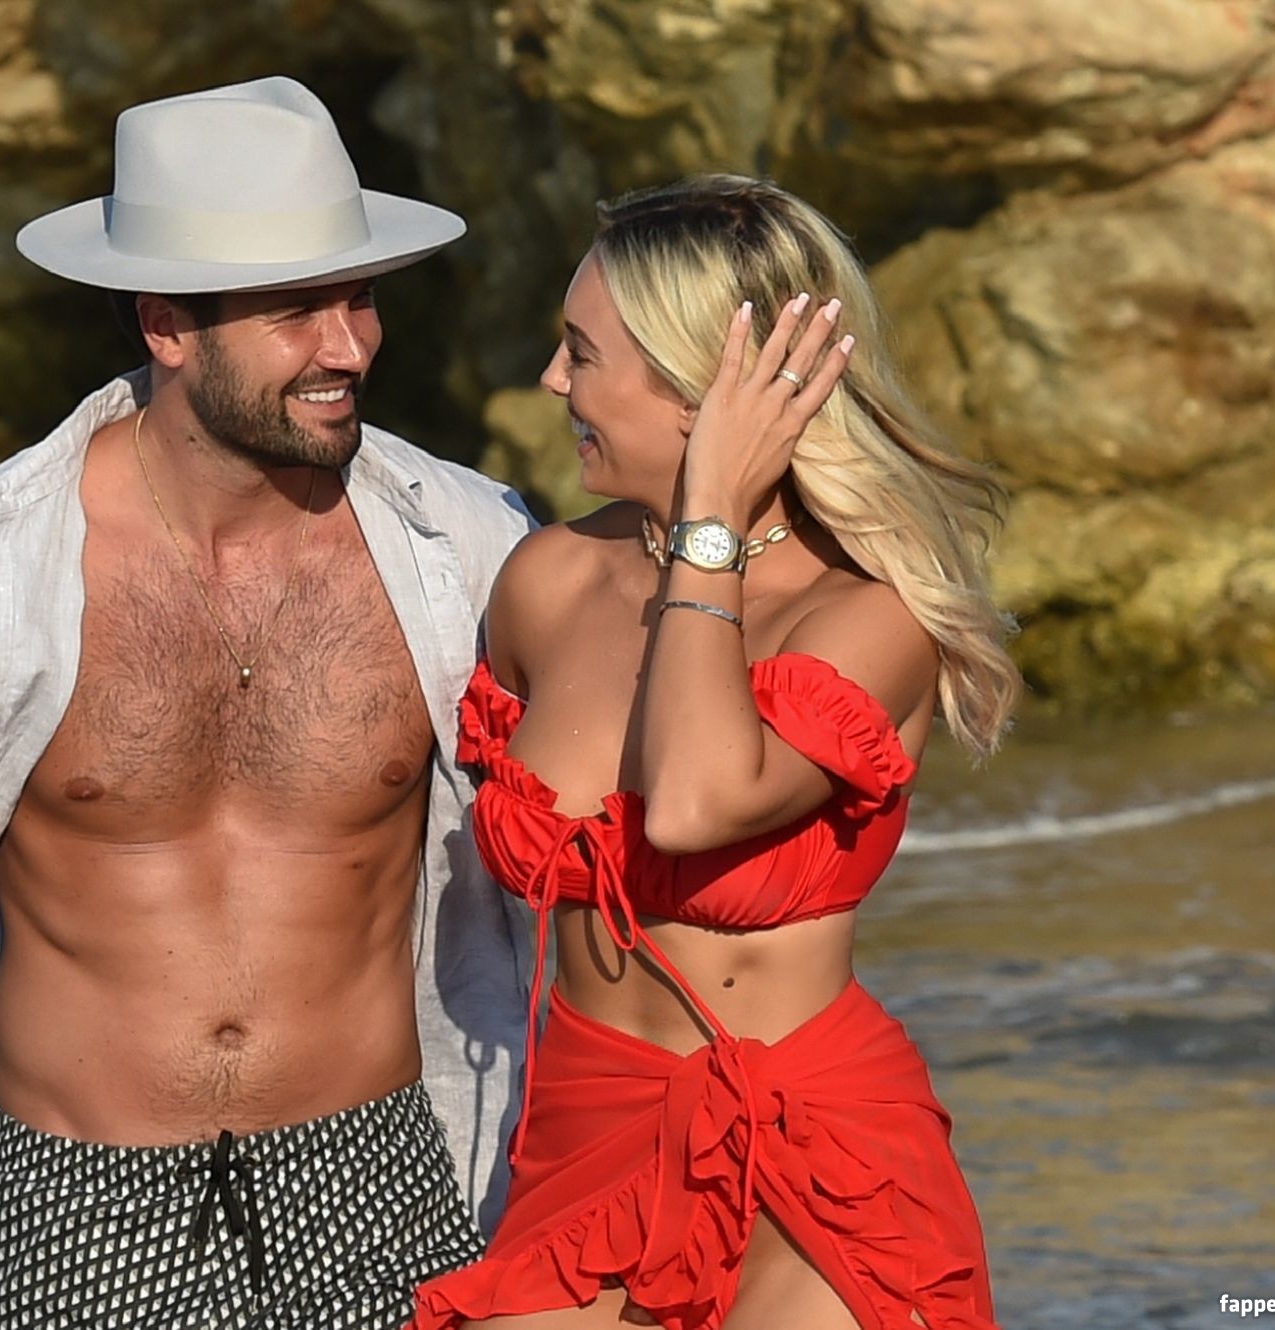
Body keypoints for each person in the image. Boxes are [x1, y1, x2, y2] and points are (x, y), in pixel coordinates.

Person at [0, 77, 537, 1329]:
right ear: (167, 325)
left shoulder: (465, 541)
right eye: (297, 312)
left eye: (359, 298)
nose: (350, 347)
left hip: (375, 1181)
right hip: (79, 1202)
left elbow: (620, 815)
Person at [409, 175, 1021, 1330]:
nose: (551, 382)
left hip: (816, 1150)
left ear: (704, 390)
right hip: (587, 1128)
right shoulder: (548, 582)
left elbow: (692, 802)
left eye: (581, 352)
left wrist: (711, 526)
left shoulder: (865, 612)